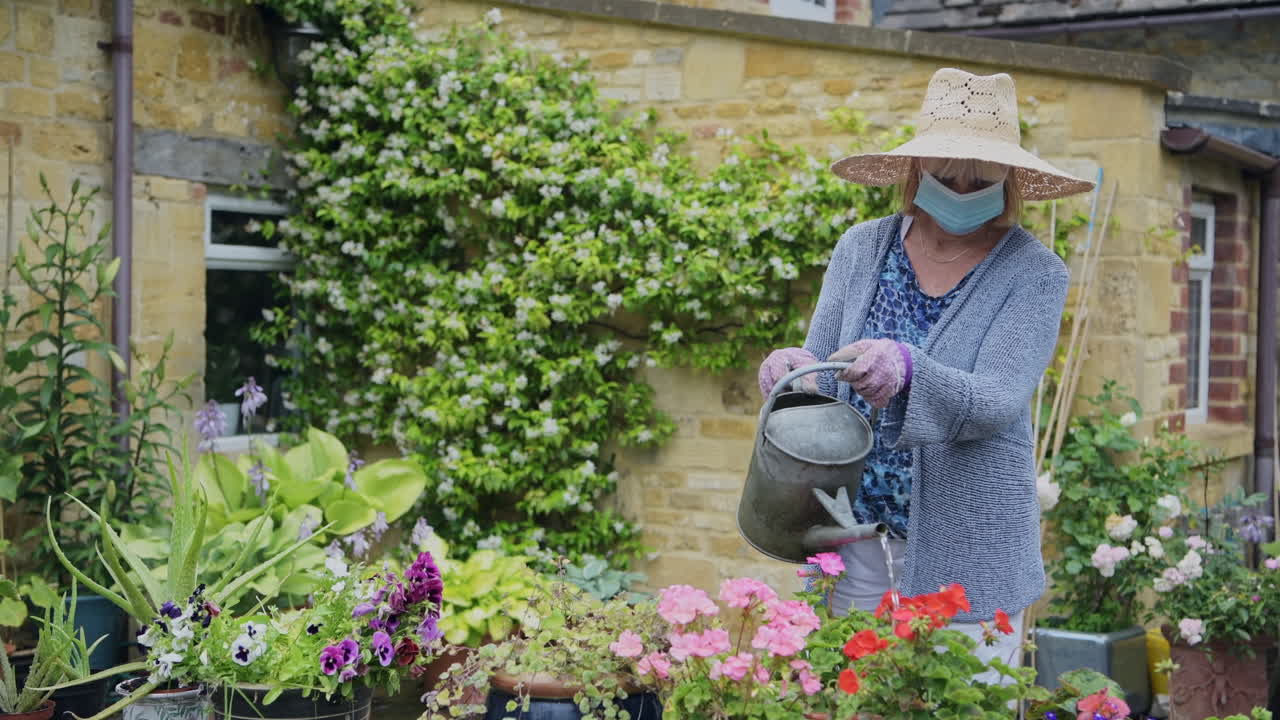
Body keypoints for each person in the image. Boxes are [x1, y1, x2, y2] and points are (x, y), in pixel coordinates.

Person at [756, 68, 1094, 678]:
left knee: (964, 701)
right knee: (850, 697)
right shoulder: (863, 248)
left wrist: (910, 369)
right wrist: (796, 370)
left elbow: (996, 397)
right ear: (916, 173)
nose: (962, 189)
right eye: (946, 175)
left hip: (968, 551)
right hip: (852, 534)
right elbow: (824, 369)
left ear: (1009, 179)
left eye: (980, 177)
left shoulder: (1034, 273)